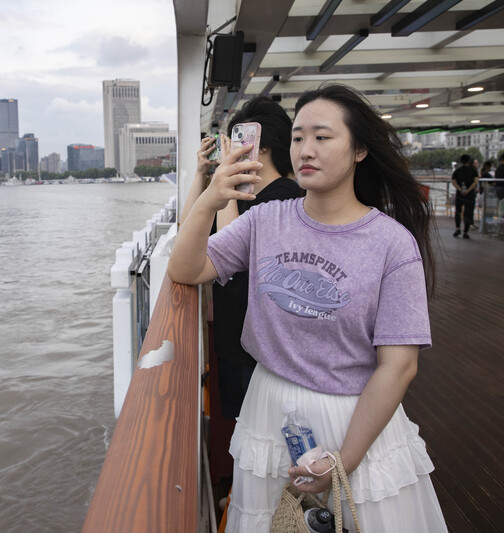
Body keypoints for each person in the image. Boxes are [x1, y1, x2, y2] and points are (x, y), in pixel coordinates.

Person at [168, 83, 446, 532]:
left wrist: (343, 460)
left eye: (322, 137)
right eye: (298, 137)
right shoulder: (265, 220)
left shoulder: (392, 245)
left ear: (359, 150)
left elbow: (399, 367)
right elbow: (185, 269)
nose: (305, 150)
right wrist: (211, 197)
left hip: (353, 419)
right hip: (269, 408)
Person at [181, 97, 303, 421]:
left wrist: (228, 180)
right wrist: (203, 174)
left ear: (259, 145)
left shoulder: (286, 198)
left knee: (263, 441)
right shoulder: (244, 197)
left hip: (258, 355)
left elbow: (231, 252)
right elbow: (188, 229)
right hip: (233, 343)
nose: (235, 147)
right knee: (240, 434)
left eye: (241, 139)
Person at [451, 154, 478, 238]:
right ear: (469, 161)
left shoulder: (458, 170)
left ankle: (458, 228)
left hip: (460, 194)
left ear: (461, 161)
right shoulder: (473, 171)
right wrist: (469, 190)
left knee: (458, 211)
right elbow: (475, 181)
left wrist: (460, 189)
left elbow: (453, 181)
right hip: (470, 195)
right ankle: (466, 231)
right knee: (468, 212)